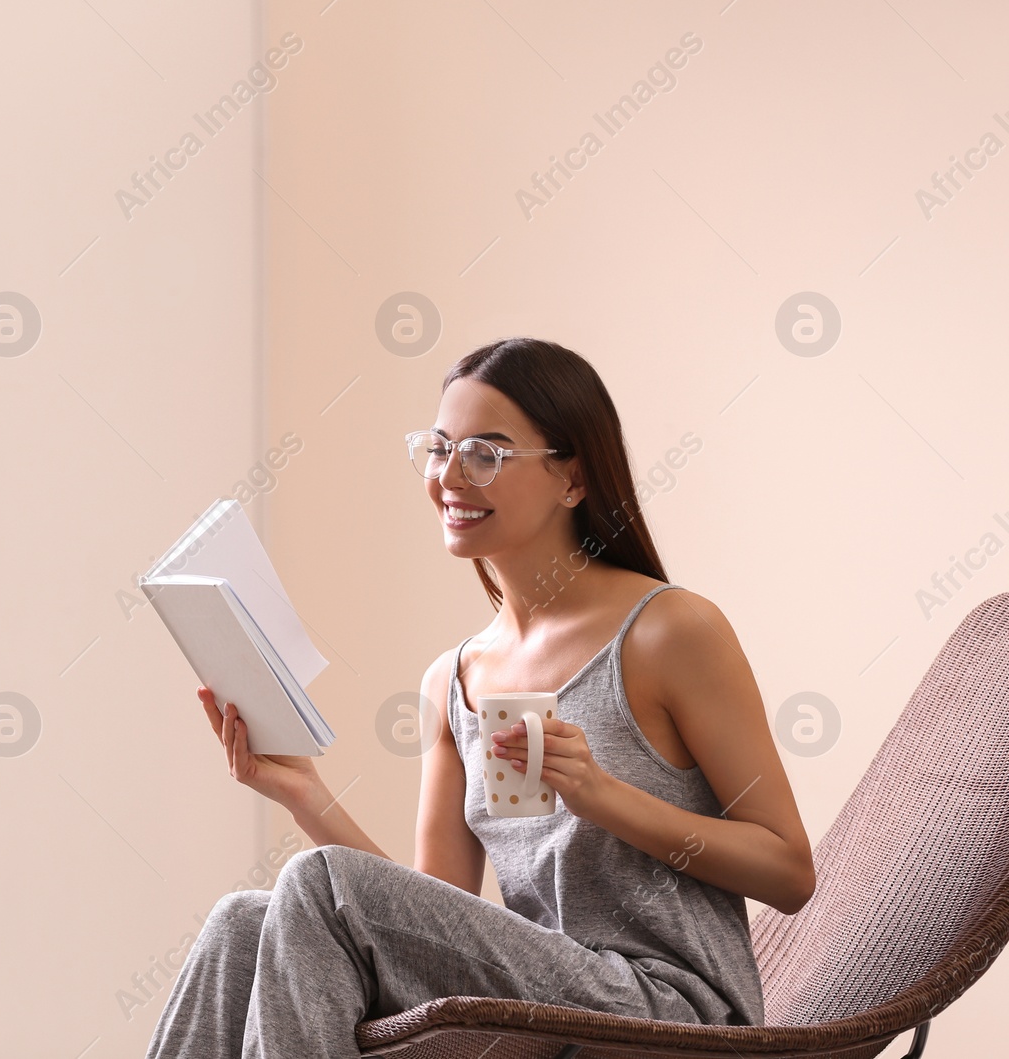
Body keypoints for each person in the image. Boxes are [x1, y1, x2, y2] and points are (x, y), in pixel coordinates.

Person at [143, 337, 817, 1059]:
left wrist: (602, 795)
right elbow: (420, 915)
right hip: (549, 1000)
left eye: (487, 454)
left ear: (573, 479)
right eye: (439, 447)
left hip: (672, 1011)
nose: (450, 476)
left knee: (314, 883)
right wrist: (304, 793)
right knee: (242, 920)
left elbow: (789, 870)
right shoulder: (456, 679)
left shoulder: (668, 632)